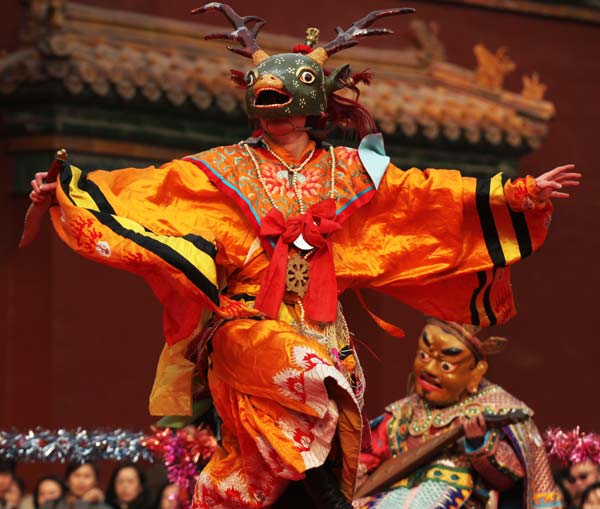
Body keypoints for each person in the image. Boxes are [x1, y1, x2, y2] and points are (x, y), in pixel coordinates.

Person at [27, 4, 581, 509]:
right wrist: (67, 190)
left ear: (310, 101)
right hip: (246, 322)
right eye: (262, 91)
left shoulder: (346, 168)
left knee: (309, 428)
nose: (270, 101)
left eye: (282, 92)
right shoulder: (226, 166)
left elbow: (421, 190)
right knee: (314, 379)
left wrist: (515, 192)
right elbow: (152, 188)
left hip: (321, 321)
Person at [354, 317, 562, 509]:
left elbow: (510, 475)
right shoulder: (402, 413)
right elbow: (366, 458)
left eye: (446, 365)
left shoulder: (493, 408)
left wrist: (479, 445)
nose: (430, 369)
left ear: (476, 372)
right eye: (423, 356)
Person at [41, 463, 110, 509]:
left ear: (95, 482)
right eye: (77, 475)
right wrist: (83, 503)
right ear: (67, 480)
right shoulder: (51, 505)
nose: (81, 481)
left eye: (87, 476)